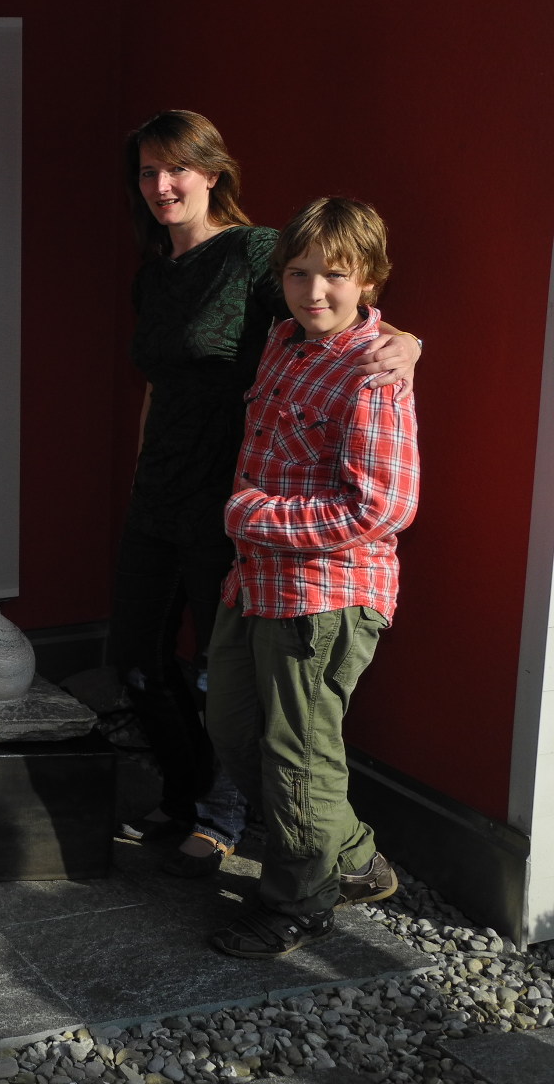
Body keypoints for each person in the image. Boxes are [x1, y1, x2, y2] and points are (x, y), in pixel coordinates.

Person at [112, 111, 419, 878]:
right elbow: (158, 380)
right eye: (148, 172)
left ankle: (223, 817)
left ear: (213, 173)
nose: (162, 185)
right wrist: (143, 464)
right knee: (136, 661)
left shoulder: (256, 254)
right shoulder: (155, 272)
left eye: (177, 169)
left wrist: (409, 343)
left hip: (238, 496)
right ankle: (185, 791)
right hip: (160, 488)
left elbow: (334, 312)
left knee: (221, 669)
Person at [205, 197, 417, 957]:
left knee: (298, 754)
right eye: (299, 273)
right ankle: (352, 855)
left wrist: (255, 516)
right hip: (256, 582)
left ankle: (299, 903)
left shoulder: (375, 372)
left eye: (335, 275)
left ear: (369, 280)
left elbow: (384, 508)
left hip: (326, 595)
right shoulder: (285, 340)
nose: (314, 290)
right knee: (232, 725)